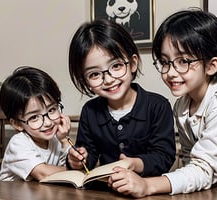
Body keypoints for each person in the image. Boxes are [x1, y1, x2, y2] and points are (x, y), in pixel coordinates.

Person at [108, 9, 217, 197]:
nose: (170, 72)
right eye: (165, 61)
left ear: (211, 65)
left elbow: (204, 169)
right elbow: (189, 161)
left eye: (183, 61)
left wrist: (147, 185)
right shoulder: (181, 106)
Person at [66, 19, 176, 178]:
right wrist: (78, 159)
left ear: (132, 64)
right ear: (85, 81)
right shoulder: (90, 111)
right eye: (94, 74)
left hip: (149, 189)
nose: (109, 80)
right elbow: (88, 157)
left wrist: (134, 163)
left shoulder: (158, 106)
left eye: (116, 66)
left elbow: (164, 156)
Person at [0, 66, 71, 181]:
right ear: (17, 124)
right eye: (34, 117)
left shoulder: (56, 139)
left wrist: (64, 141)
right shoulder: (18, 143)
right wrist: (78, 171)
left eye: (51, 110)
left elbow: (67, 164)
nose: (47, 123)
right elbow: (44, 174)